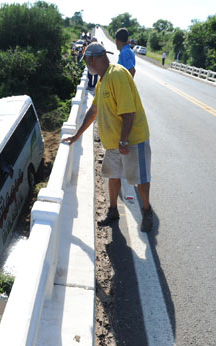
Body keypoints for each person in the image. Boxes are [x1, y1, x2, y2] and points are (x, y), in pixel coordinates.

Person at [63, 42, 153, 232]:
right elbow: (94, 110)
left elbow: (129, 112)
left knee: (140, 179)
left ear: (94, 59)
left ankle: (146, 211)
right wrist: (77, 135)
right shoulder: (103, 81)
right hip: (114, 143)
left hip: (131, 141)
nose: (87, 65)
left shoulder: (117, 75)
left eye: (87, 61)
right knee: (113, 177)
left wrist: (124, 140)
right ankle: (113, 211)